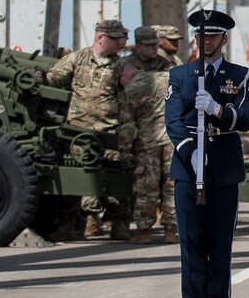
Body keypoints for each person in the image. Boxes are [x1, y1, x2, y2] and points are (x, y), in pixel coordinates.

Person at [166, 9, 249, 298]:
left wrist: (218, 110)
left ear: (224, 39)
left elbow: (246, 118)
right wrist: (189, 152)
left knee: (219, 243)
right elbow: (173, 120)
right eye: (201, 36)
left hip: (223, 164)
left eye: (213, 36)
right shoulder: (180, 76)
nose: (206, 42)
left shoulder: (241, 74)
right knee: (191, 243)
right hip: (188, 167)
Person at [48, 18, 130, 238]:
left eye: (122, 38)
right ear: (101, 37)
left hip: (110, 130)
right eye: (116, 39)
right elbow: (55, 78)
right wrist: (41, 79)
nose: (121, 43)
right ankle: (75, 223)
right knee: (76, 179)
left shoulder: (122, 65)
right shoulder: (77, 59)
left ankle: (118, 222)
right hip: (78, 132)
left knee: (115, 176)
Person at [117, 26, 176, 244]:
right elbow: (123, 110)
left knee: (171, 183)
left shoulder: (163, 64)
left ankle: (170, 227)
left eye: (156, 44)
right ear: (139, 46)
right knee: (146, 187)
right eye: (150, 45)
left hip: (163, 137)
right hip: (147, 138)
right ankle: (144, 230)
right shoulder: (125, 66)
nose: (154, 49)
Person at [153, 26, 182, 242]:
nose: (176, 44)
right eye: (171, 40)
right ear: (160, 41)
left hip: (169, 131)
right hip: (151, 132)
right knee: (150, 182)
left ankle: (169, 225)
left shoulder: (175, 63)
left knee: (170, 181)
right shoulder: (151, 64)